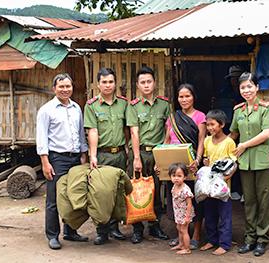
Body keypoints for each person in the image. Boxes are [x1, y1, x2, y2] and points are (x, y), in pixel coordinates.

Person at [36, 73, 89, 250]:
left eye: (68, 86)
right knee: (53, 198)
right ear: (54, 89)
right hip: (56, 158)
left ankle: (70, 231)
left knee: (73, 195)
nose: (65, 90)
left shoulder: (76, 108)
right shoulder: (46, 110)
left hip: (75, 157)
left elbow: (81, 133)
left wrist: (83, 154)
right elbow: (41, 137)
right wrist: (45, 161)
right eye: (61, 87)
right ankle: (52, 235)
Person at [230, 72, 269, 257]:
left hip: (264, 162)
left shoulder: (265, 108)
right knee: (249, 201)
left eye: (250, 86)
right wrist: (217, 145)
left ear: (257, 87)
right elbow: (233, 134)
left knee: (264, 202)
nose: (246, 90)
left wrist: (244, 145)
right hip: (245, 163)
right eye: (243, 87)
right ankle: (249, 239)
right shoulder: (238, 111)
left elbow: (267, 134)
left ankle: (262, 240)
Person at [84, 67, 129, 245]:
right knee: (101, 194)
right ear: (97, 84)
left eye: (111, 82)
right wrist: (92, 155)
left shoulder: (124, 104)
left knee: (118, 192)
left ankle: (114, 227)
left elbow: (127, 128)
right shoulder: (92, 105)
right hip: (102, 155)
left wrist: (127, 148)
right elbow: (92, 131)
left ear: (115, 83)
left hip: (119, 155)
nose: (108, 85)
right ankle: (101, 231)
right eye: (104, 82)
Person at [126, 66, 170, 244]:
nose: (146, 85)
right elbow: (134, 133)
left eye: (149, 82)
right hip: (140, 153)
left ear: (154, 83)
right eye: (142, 82)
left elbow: (168, 132)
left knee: (156, 190)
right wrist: (136, 158)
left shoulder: (164, 104)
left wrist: (164, 155)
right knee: (136, 191)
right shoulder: (133, 106)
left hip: (157, 153)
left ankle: (155, 226)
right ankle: (137, 229)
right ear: (137, 85)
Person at [164, 83, 206, 250]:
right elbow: (167, 141)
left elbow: (201, 141)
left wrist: (197, 160)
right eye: (181, 96)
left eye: (187, 96)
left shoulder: (200, 117)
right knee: (176, 200)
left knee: (193, 200)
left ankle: (196, 234)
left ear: (193, 97)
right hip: (175, 168)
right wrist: (161, 162)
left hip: (191, 165)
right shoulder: (173, 118)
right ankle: (181, 234)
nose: (184, 99)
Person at [199, 109, 236, 256]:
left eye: (212, 125)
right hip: (209, 185)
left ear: (221, 124)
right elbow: (206, 159)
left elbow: (234, 164)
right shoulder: (207, 140)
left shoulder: (229, 142)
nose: (209, 128)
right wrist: (204, 161)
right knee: (210, 214)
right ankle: (211, 240)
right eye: (207, 125)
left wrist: (226, 178)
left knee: (224, 216)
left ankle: (225, 244)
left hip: (223, 187)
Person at [169, 163, 195, 255]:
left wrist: (187, 217)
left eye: (179, 176)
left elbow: (189, 204)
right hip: (178, 212)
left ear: (184, 177)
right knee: (179, 228)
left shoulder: (185, 190)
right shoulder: (175, 186)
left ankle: (187, 248)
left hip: (184, 213)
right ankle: (181, 244)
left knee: (184, 230)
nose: (176, 178)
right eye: (174, 176)